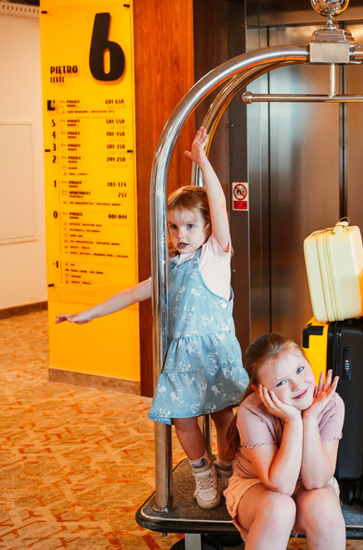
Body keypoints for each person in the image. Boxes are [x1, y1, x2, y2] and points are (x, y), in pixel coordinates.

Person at [56, 127, 248, 510]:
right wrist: (88, 314)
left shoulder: (214, 258)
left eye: (190, 226)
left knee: (224, 416)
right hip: (182, 360)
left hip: (214, 356)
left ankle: (229, 467)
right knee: (182, 420)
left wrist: (203, 162)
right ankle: (202, 472)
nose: (180, 234)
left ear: (207, 227)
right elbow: (131, 293)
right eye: (174, 227)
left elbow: (219, 205)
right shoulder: (170, 267)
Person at [223, 333, 345, 550]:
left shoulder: (331, 403)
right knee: (279, 508)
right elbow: (281, 485)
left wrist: (310, 418)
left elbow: (316, 481)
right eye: (281, 382)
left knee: (325, 508)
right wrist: (293, 422)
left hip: (308, 485)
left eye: (300, 370)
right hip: (257, 486)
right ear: (259, 391)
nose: (298, 385)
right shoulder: (251, 411)